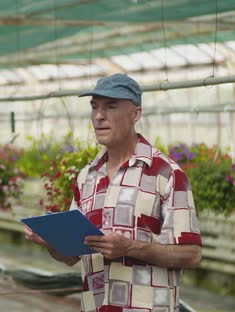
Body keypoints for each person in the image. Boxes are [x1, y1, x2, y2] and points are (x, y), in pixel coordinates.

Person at [24, 73, 202, 312]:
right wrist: (51, 243)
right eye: (94, 107)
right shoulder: (87, 177)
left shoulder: (166, 174)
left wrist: (129, 248)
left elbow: (191, 255)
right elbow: (71, 257)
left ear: (135, 115)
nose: (99, 116)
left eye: (110, 106)